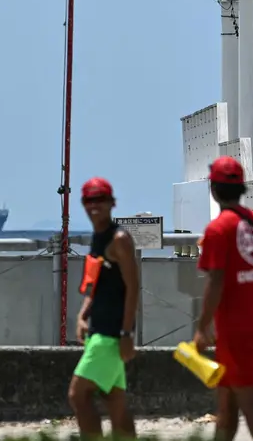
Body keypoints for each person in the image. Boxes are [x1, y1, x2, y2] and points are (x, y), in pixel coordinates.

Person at [194, 156, 253, 441]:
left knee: (250, 402)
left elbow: (215, 281)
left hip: (235, 330)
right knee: (227, 405)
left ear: (214, 190)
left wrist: (202, 325)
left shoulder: (218, 230)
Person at [68, 176, 140, 440]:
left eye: (100, 199)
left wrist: (126, 334)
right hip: (99, 329)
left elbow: (133, 288)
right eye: (89, 199)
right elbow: (96, 283)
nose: (94, 205)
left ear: (112, 203)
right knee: (115, 402)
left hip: (110, 334)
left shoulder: (119, 239)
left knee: (78, 395)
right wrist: (82, 314)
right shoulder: (98, 237)